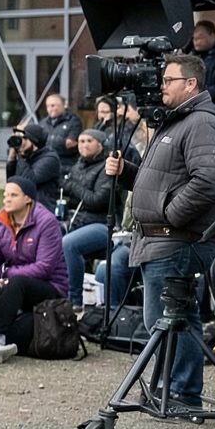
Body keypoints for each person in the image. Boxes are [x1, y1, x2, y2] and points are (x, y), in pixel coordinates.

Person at [107, 53, 215, 407]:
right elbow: (163, 180)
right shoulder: (179, 120)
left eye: (168, 80)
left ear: (190, 84)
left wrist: (170, 215)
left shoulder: (202, 122)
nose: (161, 86)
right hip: (161, 239)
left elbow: (210, 182)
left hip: (175, 239)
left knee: (169, 320)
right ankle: (171, 390)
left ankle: (181, 393)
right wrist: (128, 173)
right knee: (171, 319)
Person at [0, 176, 69, 362]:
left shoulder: (46, 222)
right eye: (5, 195)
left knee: (17, 283)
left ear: (28, 198)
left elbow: (44, 267)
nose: (6, 199)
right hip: (14, 287)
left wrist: (8, 276)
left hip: (49, 286)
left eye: (13, 195)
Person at [59, 130, 118, 310]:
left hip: (103, 225)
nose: (83, 145)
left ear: (100, 144)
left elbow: (97, 200)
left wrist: (73, 187)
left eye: (89, 141)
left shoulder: (107, 167)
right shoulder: (78, 165)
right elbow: (68, 192)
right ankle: (56, 292)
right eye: (81, 141)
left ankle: (74, 301)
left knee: (69, 244)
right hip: (76, 220)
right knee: (46, 233)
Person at [6, 122, 63, 213]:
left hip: (42, 210)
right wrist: (11, 159)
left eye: (24, 138)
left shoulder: (50, 159)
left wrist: (21, 156)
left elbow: (30, 181)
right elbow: (11, 182)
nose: (20, 142)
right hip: (23, 208)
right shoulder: (27, 156)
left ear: (34, 141)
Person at [39, 92, 81, 159]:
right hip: (45, 159)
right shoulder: (43, 123)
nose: (50, 109)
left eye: (53, 105)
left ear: (64, 105)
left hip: (65, 161)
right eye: (48, 106)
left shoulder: (73, 121)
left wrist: (49, 141)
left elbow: (70, 144)